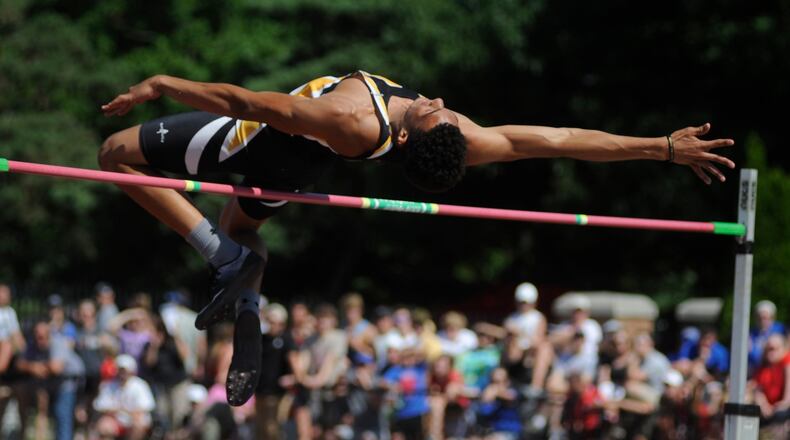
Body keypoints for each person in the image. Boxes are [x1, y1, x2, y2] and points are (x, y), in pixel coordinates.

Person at [99, 70, 735, 405]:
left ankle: (221, 258)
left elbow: (244, 101)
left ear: (407, 139)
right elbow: (556, 141)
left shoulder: (349, 118)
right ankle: (246, 305)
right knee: (246, 229)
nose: (441, 103)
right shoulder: (453, 134)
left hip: (257, 142)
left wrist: (163, 85)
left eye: (437, 113)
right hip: (295, 169)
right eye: (444, 113)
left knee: (116, 155)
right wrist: (660, 148)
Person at [748, 300, 786, 369]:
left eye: (765, 318)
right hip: (756, 370)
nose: (762, 321)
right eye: (759, 318)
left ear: (772, 317)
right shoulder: (752, 332)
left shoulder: (780, 330)